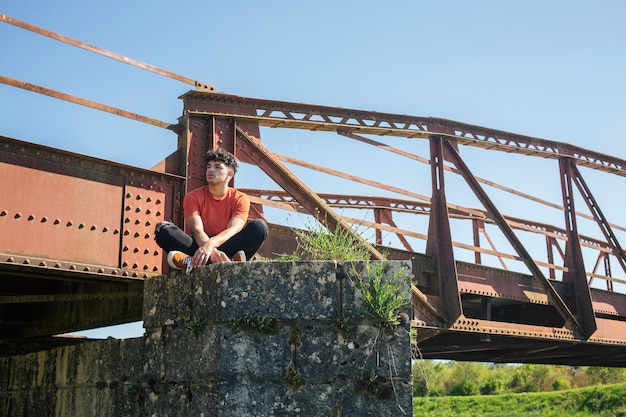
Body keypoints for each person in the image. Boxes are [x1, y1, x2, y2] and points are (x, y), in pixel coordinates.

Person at [154, 148, 268, 273]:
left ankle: (191, 261)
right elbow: (197, 230)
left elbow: (233, 230)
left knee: (259, 227)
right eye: (209, 166)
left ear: (230, 174)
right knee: (164, 230)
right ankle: (228, 261)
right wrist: (211, 251)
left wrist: (211, 245)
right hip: (199, 244)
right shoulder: (193, 197)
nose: (211, 170)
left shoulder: (240, 198)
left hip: (225, 246)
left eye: (218, 167)